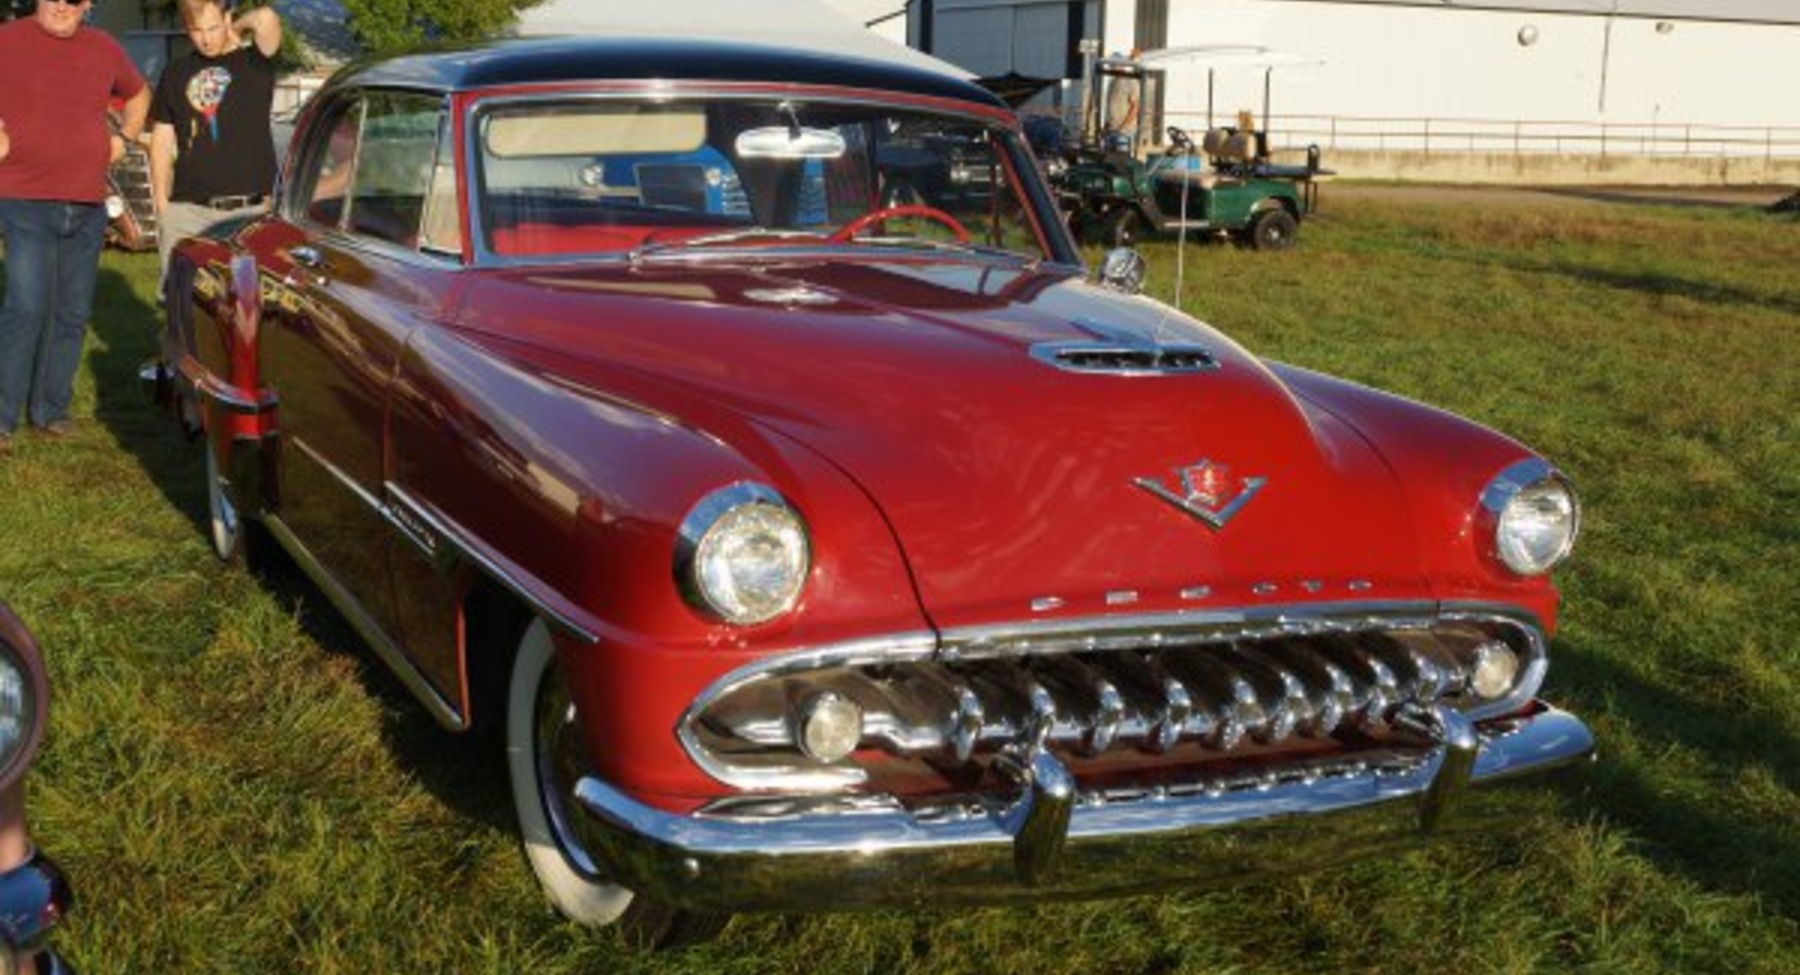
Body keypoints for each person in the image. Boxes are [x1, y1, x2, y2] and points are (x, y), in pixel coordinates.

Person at [0, 0, 149, 453]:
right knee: (26, 307)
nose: (62, 5)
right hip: (23, 197)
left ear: (87, 5)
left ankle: (50, 411)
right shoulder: (7, 39)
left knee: (71, 313)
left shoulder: (103, 47)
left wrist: (123, 139)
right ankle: (3, 420)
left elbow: (139, 94)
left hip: (86, 203)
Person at [149, 0, 282, 287]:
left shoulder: (255, 62)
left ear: (227, 18)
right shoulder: (175, 71)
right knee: (180, 306)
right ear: (186, 29)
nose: (206, 38)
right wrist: (161, 202)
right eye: (197, 30)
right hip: (186, 212)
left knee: (244, 307)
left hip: (248, 215)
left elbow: (266, 17)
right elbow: (162, 136)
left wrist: (234, 27)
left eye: (212, 28)